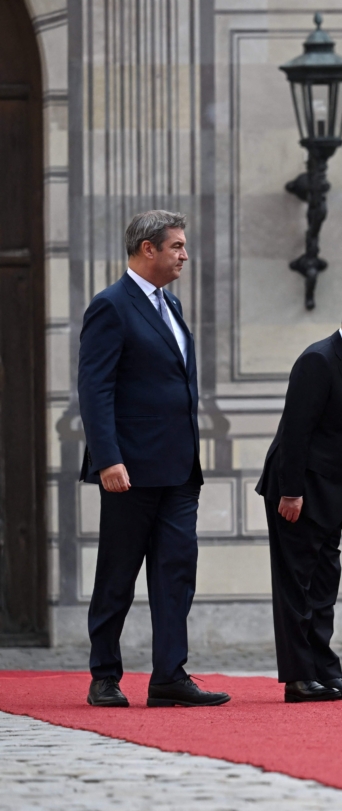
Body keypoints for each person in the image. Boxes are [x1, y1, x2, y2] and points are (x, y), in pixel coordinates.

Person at [78, 210, 229, 708]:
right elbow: (95, 389)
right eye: (177, 246)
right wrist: (107, 459)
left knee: (176, 572)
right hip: (130, 470)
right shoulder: (111, 306)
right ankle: (104, 675)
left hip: (180, 469)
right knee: (117, 574)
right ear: (149, 249)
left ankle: (169, 674)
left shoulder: (173, 305)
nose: (185, 255)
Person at [256, 288, 342, 702]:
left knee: (323, 586)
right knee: (296, 587)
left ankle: (325, 672)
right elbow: (296, 432)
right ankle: (300, 678)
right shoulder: (318, 360)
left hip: (332, 498)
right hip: (298, 494)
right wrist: (292, 493)